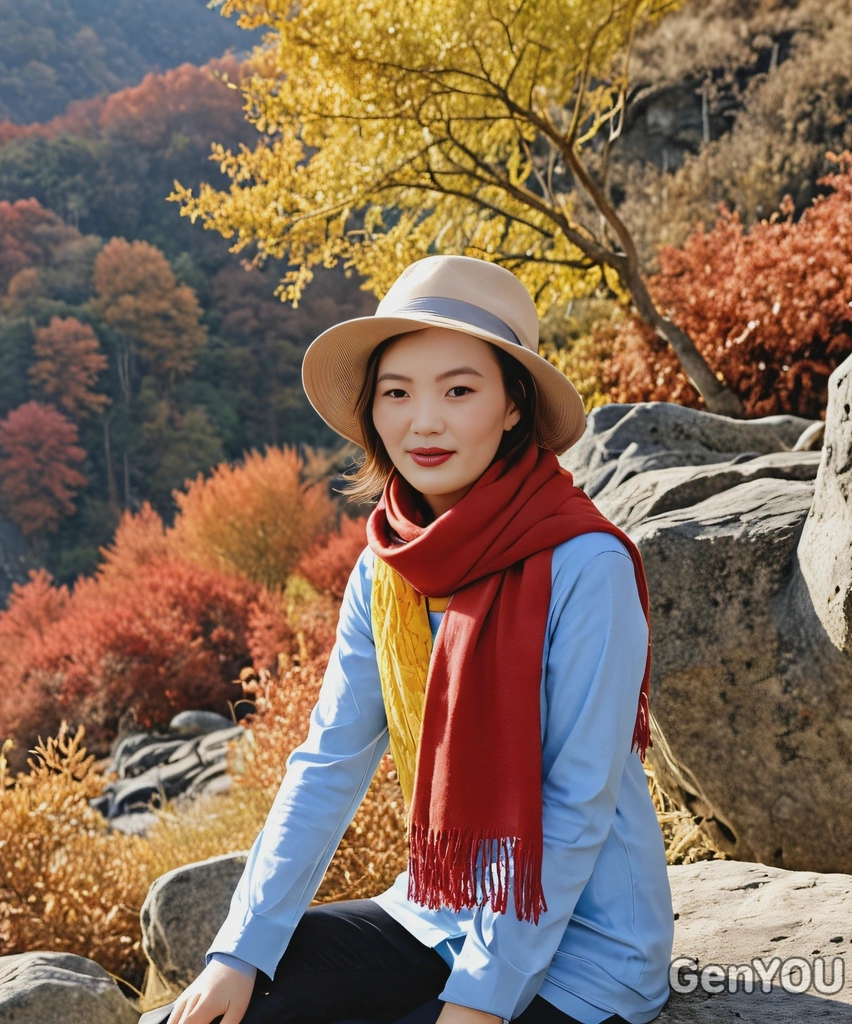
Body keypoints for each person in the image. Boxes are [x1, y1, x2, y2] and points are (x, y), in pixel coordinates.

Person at [143, 255, 674, 1024]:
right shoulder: (387, 569)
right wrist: (237, 951)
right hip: (435, 914)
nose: (423, 422)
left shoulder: (586, 566)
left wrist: (481, 1001)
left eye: (459, 390)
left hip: (588, 952)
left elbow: (576, 802)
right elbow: (326, 765)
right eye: (397, 393)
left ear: (512, 406)